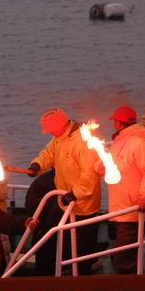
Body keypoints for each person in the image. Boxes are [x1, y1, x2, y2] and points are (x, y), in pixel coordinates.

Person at [95, 105, 145, 291]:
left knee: (124, 253)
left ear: (118, 123)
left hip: (132, 208)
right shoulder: (120, 142)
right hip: (119, 208)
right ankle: (125, 290)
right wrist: (100, 165)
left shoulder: (137, 143)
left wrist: (144, 196)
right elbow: (114, 167)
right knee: (120, 251)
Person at [27, 107, 101, 275]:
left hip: (82, 205)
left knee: (82, 248)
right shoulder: (59, 138)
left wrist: (74, 194)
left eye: (51, 130)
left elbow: (90, 175)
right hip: (63, 200)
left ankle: (82, 282)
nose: (50, 134)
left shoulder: (84, 142)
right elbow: (48, 154)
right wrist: (37, 165)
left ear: (59, 127)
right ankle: (44, 279)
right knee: (48, 240)